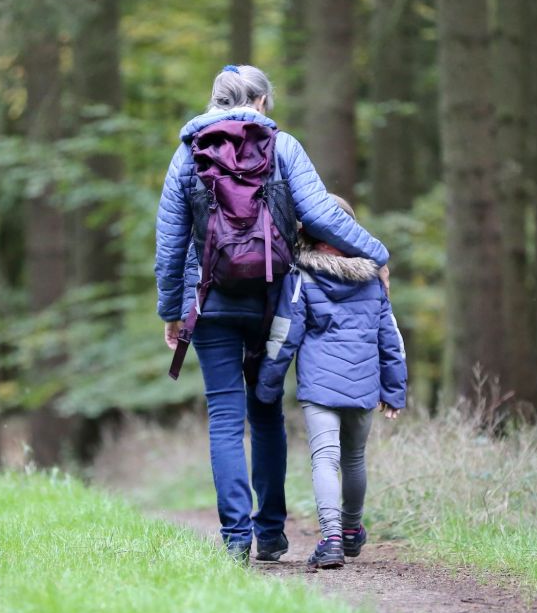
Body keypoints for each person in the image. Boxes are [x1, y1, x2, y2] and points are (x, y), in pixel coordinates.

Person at [155, 65, 390, 563]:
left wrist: (172, 311)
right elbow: (323, 214)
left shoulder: (187, 154)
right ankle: (272, 534)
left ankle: (236, 539)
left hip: (211, 301)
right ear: (261, 101)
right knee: (265, 412)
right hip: (273, 301)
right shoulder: (284, 147)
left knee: (223, 416)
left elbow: (170, 243)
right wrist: (377, 254)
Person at [255, 195, 407, 570]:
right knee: (354, 458)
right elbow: (391, 339)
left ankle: (332, 539)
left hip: (320, 387)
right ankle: (353, 531)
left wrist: (267, 384)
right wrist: (394, 389)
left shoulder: (302, 276)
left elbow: (284, 334)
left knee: (325, 459)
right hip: (364, 384)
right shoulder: (373, 279)